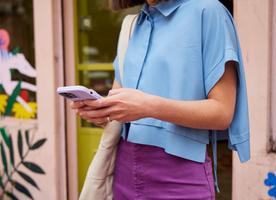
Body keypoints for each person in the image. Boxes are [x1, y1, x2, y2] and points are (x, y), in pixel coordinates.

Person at [71, 0, 250, 199]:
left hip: (179, 177)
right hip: (124, 173)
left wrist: (148, 107)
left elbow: (223, 112)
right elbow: (119, 104)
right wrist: (100, 111)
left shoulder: (208, 11)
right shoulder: (132, 25)